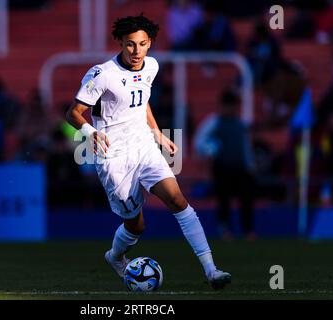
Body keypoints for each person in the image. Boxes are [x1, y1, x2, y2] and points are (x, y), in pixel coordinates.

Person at [66, 14, 231, 290]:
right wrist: (91, 134)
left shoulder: (151, 67)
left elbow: (142, 102)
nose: (136, 51)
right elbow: (72, 113)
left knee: (178, 200)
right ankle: (115, 256)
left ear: (150, 43)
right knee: (136, 226)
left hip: (143, 146)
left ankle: (211, 270)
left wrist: (157, 133)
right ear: (120, 42)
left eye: (142, 44)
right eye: (130, 44)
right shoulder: (102, 74)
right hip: (114, 156)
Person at [194, 88, 257, 240]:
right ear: (223, 106)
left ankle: (248, 230)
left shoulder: (240, 124)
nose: (233, 109)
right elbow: (200, 141)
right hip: (222, 167)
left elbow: (245, 146)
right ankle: (225, 229)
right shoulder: (214, 122)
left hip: (240, 168)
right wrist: (209, 152)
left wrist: (250, 164)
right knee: (224, 199)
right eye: (231, 105)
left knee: (246, 199)